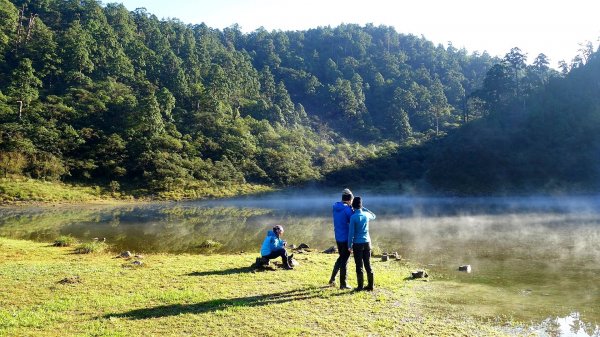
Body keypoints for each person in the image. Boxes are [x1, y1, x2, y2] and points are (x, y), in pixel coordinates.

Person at [348, 196, 376, 291]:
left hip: (357, 244)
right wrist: (364, 208)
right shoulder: (366, 215)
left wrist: (349, 246)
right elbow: (374, 216)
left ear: (353, 205)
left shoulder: (353, 217)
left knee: (359, 265)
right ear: (361, 205)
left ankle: (360, 287)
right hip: (367, 242)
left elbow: (351, 233)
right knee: (368, 264)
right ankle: (370, 286)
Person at [328, 188, 354, 289]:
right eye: (351, 200)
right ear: (348, 200)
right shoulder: (347, 209)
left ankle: (332, 279)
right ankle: (343, 284)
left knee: (341, 258)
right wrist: (351, 208)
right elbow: (353, 219)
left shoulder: (335, 206)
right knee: (345, 260)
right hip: (346, 238)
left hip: (338, 237)